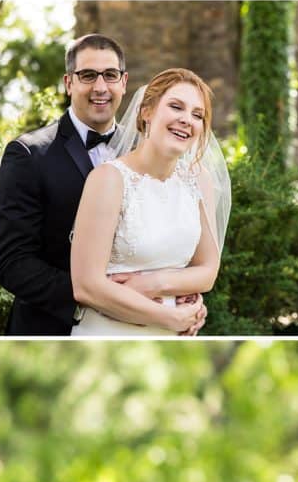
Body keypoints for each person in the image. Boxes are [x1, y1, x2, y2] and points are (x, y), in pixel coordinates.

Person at [70, 67, 230, 335]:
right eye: (176, 107)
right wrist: (169, 318)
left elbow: (208, 271)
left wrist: (152, 284)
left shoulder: (198, 179)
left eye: (197, 115)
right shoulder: (108, 179)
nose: (186, 120)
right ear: (147, 112)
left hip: (175, 335)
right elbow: (86, 286)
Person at [0, 34, 133, 335]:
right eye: (88, 75)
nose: (100, 87)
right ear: (69, 83)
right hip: (53, 331)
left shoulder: (142, 152)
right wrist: (97, 297)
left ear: (123, 82)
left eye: (110, 75)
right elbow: (14, 264)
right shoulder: (28, 154)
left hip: (137, 323)